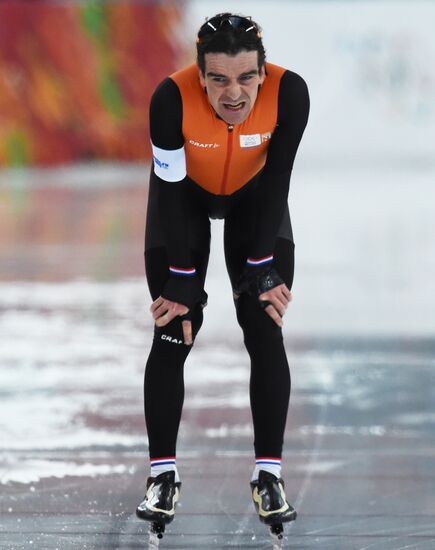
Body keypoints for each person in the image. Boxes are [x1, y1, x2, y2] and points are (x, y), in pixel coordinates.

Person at [136, 12, 310, 537]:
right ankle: (162, 476)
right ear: (200, 74)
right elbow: (168, 188)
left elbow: (277, 179)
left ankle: (269, 475)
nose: (233, 93)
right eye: (217, 79)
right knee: (174, 329)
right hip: (182, 200)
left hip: (256, 201)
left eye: (245, 78)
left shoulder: (291, 92)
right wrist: (183, 275)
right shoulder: (169, 98)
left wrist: (261, 266)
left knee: (264, 325)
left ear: (262, 70)